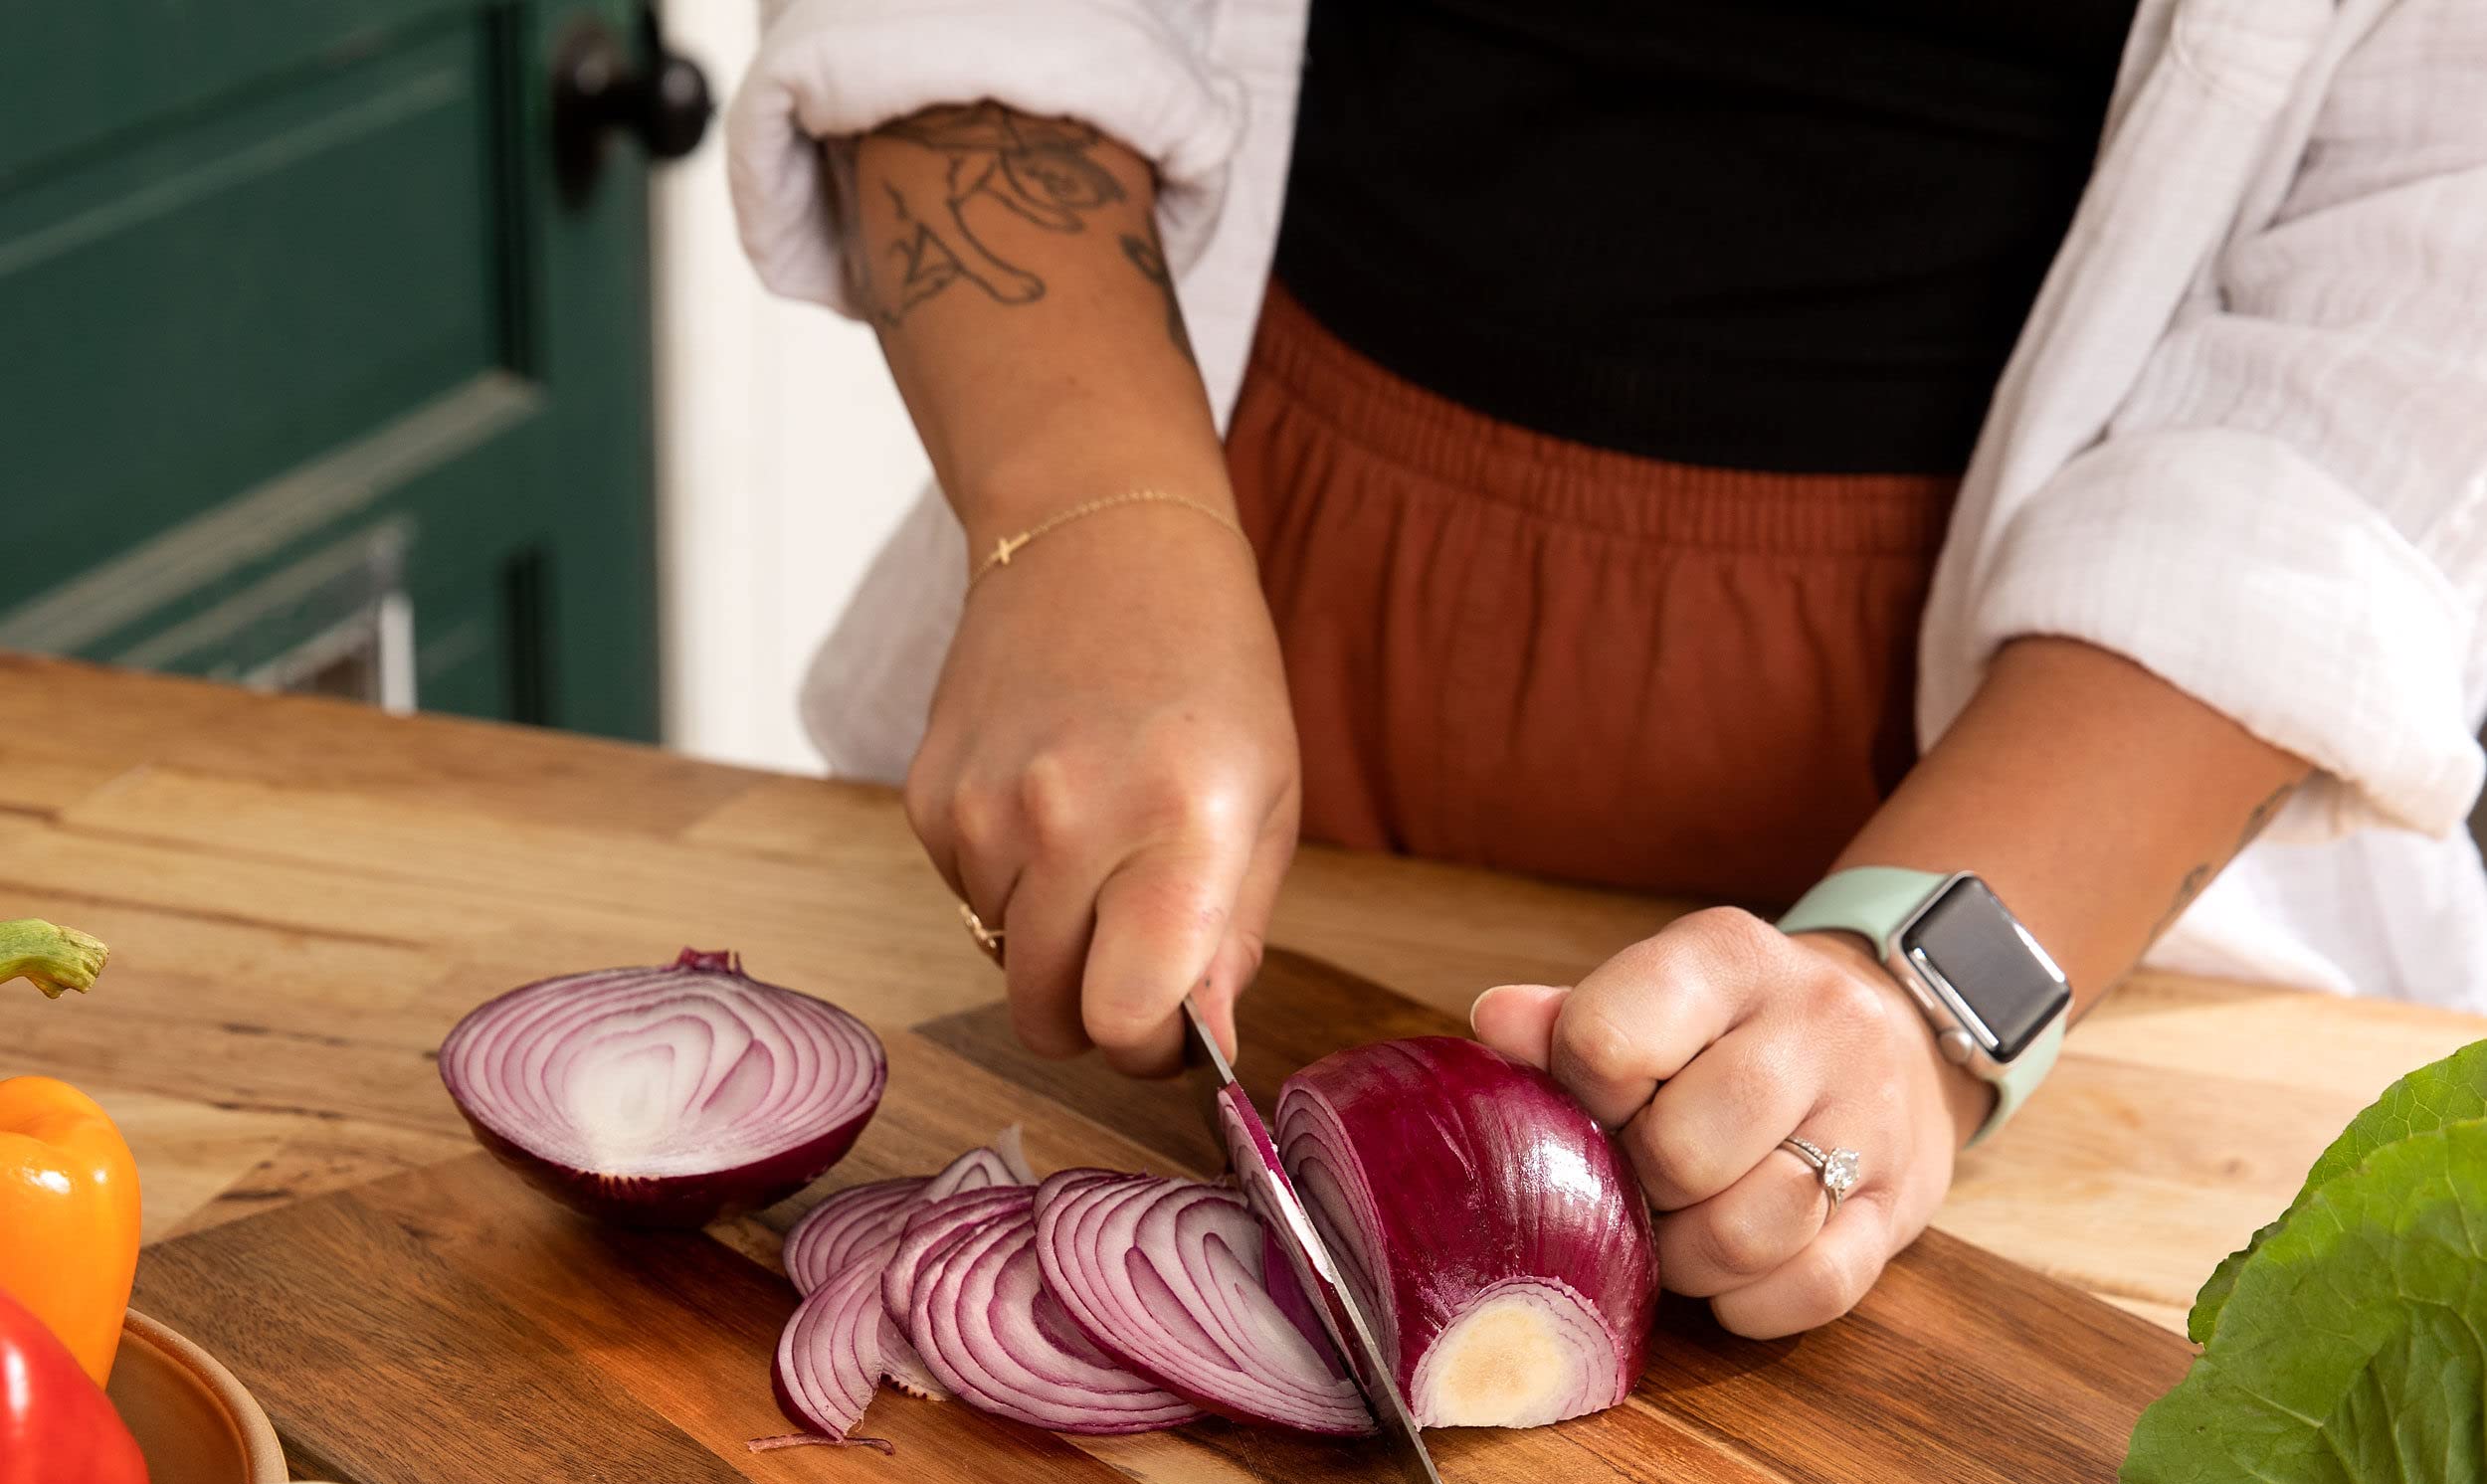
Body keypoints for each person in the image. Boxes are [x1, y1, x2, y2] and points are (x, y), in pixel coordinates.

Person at [727, 0, 2487, 1337]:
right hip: (1233, 547)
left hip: (2064, 728)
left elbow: (2399, 291)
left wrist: (1916, 997)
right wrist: (1090, 526)